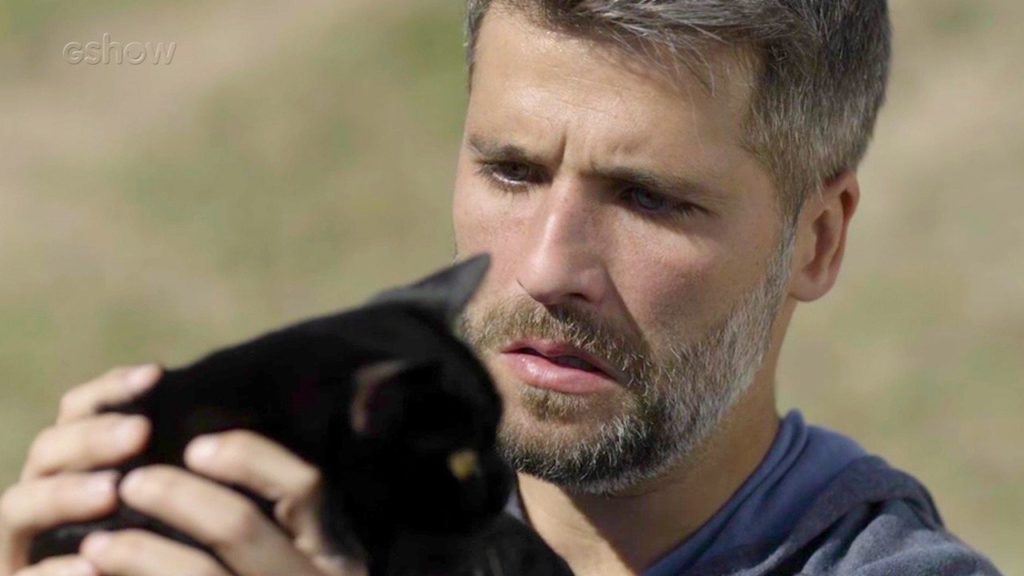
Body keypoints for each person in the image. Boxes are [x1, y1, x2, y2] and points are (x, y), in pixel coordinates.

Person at [0, 1, 1003, 575]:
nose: (543, 269)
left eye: (649, 199)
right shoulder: (301, 509)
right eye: (511, 172)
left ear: (816, 241)